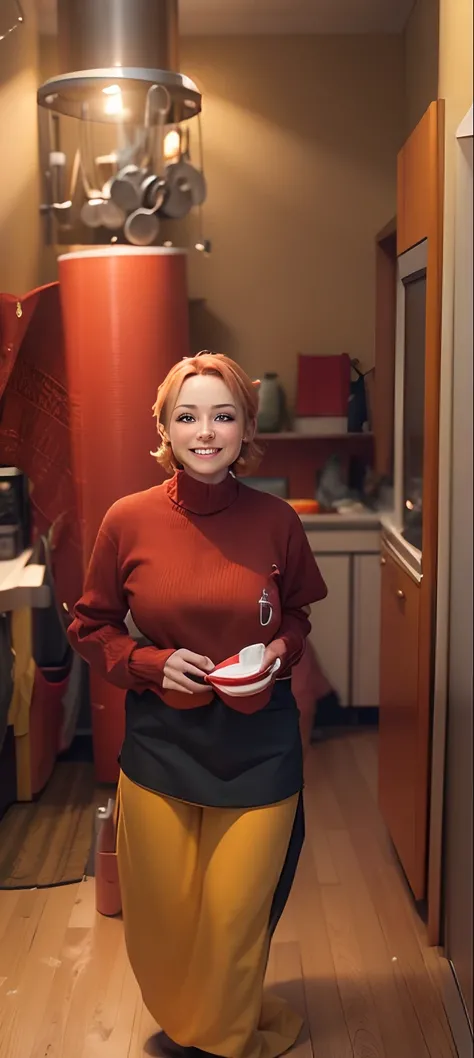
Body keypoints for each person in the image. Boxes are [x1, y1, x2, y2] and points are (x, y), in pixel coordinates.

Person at [67, 352, 327, 1058]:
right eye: (188, 416)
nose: (205, 431)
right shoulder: (128, 520)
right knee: (164, 925)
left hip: (261, 746)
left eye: (223, 415)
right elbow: (90, 627)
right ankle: (197, 1027)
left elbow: (299, 615)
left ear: (246, 427)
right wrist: (149, 663)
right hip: (162, 745)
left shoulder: (276, 520)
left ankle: (221, 1040)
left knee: (235, 919)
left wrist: (281, 651)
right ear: (165, 428)